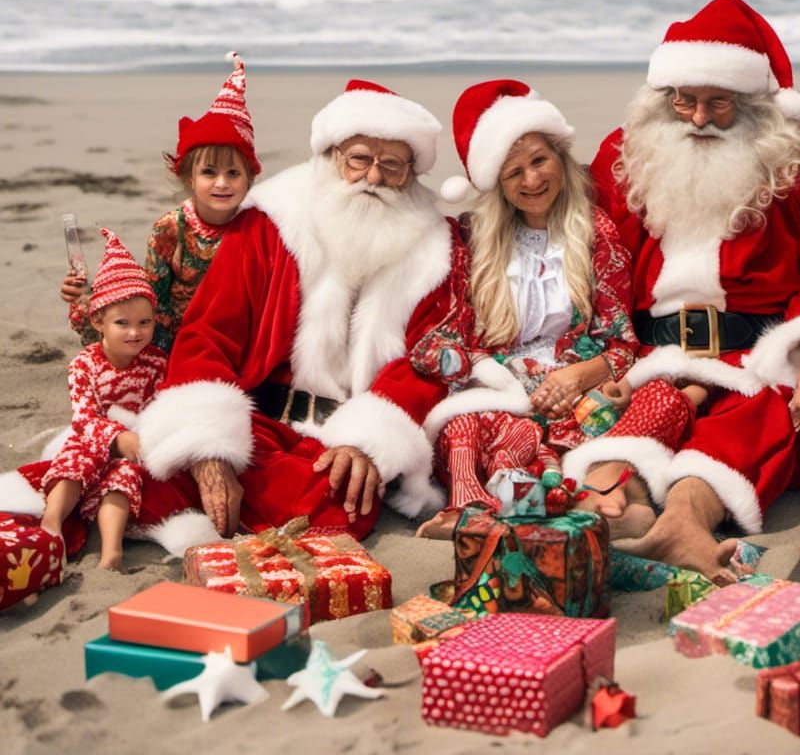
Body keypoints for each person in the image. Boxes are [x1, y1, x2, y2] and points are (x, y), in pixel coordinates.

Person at [1, 79, 463, 556]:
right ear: (331, 157)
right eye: (360, 159)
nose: (373, 177)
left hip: (337, 436)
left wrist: (368, 442)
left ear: (412, 174)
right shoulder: (271, 221)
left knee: (340, 502)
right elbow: (207, 334)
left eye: (392, 165)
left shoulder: (434, 249)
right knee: (172, 462)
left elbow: (428, 359)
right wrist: (209, 450)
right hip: (259, 418)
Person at [577, 0, 800, 593]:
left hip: (758, 353)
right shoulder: (623, 157)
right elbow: (580, 257)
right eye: (684, 99)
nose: (697, 116)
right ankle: (655, 512)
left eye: (718, 102)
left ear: (754, 104)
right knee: (635, 422)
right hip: (648, 356)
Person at [410, 79, 697, 539]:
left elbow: (621, 343)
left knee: (664, 400)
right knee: (463, 421)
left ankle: (590, 493)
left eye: (540, 161)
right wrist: (493, 372)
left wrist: (575, 379)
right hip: (501, 393)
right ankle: (474, 506)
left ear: (560, 159)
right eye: (513, 173)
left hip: (580, 389)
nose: (532, 180)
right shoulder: (471, 241)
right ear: (496, 185)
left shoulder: (595, 232)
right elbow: (439, 341)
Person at [59, 53, 261, 352]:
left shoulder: (258, 225)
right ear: (189, 177)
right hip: (178, 337)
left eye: (233, 173)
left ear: (249, 178)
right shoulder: (171, 229)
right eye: (209, 172)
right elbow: (155, 300)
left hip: (239, 336)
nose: (222, 182)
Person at [39, 229, 166, 570]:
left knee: (123, 479)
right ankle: (51, 525)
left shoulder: (155, 364)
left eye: (145, 323)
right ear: (98, 321)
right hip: (95, 440)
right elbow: (84, 419)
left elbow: (160, 408)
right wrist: (115, 437)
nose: (134, 332)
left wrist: (138, 439)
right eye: (122, 323)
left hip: (134, 446)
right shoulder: (85, 364)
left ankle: (111, 551)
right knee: (75, 459)